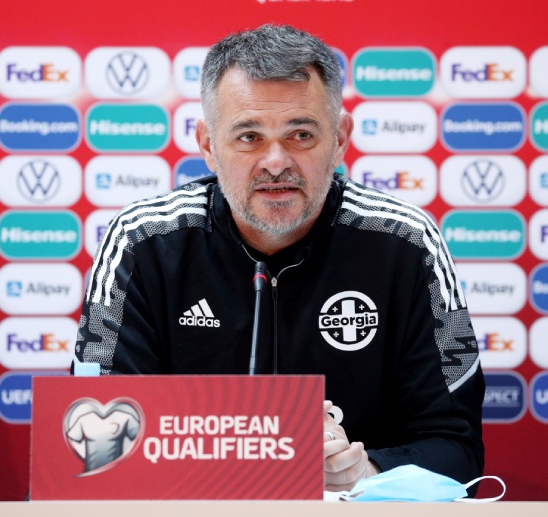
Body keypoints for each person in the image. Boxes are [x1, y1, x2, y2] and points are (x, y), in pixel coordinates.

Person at [76, 24, 485, 493]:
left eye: (301, 135)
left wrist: (365, 472)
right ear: (208, 145)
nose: (275, 162)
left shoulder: (405, 243)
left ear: (340, 138)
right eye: (249, 137)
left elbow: (458, 448)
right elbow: (91, 442)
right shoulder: (142, 242)